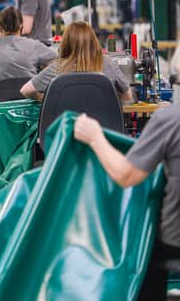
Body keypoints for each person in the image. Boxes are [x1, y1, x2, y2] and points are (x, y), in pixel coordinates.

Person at [73, 46, 180, 300]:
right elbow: (128, 96)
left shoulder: (170, 119)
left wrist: (95, 137)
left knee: (135, 245)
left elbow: (126, 176)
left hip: (173, 243)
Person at [20, 21, 132, 102]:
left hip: (69, 131)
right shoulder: (108, 62)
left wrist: (43, 98)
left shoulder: (58, 67)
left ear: (67, 43)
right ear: (93, 40)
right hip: (103, 130)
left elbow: (26, 90)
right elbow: (128, 96)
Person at [0, 6, 56, 90]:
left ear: (0, 28)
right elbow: (59, 61)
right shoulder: (34, 45)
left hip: (0, 99)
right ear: (21, 27)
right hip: (28, 99)